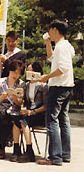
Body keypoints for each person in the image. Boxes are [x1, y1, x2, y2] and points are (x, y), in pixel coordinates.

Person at [36, 20, 75, 166]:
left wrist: (47, 77)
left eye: (50, 31)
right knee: (63, 120)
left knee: (51, 120)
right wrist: (48, 43)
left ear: (54, 29)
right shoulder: (65, 46)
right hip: (67, 87)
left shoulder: (61, 47)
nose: (49, 33)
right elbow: (52, 58)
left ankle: (55, 157)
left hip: (58, 87)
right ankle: (65, 154)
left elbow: (63, 68)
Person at [10, 62, 48, 163]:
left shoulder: (43, 86)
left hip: (39, 113)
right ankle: (16, 149)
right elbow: (24, 100)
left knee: (23, 121)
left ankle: (29, 150)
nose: (28, 72)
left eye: (30, 70)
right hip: (28, 113)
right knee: (16, 121)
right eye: (27, 70)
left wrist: (32, 111)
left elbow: (46, 106)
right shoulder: (26, 85)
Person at [0, 60, 25, 161]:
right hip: (1, 108)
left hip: (13, 110)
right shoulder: (0, 82)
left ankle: (2, 149)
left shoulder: (21, 84)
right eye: (14, 72)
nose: (16, 75)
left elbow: (19, 104)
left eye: (18, 73)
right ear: (10, 70)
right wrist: (5, 95)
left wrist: (14, 97)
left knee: (6, 118)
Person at [0, 31, 26, 113]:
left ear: (17, 41)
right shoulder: (1, 52)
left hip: (11, 83)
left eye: (13, 41)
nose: (10, 43)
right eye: (8, 41)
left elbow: (17, 68)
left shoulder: (21, 54)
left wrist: (6, 61)